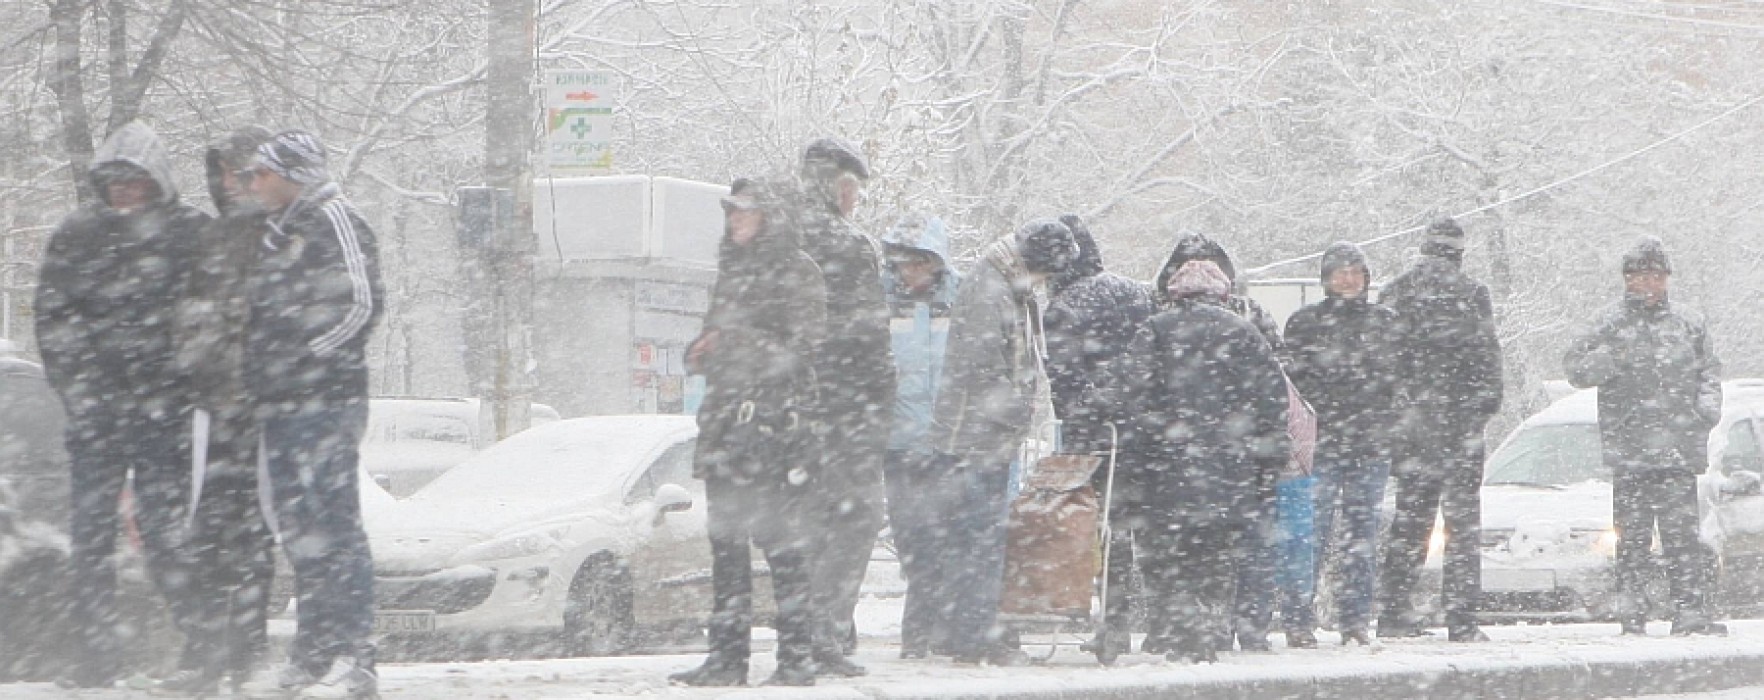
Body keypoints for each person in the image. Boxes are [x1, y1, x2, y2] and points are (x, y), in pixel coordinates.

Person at [33, 120, 209, 688]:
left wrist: (182, 382)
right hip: (97, 415)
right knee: (89, 537)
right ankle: (95, 655)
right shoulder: (78, 236)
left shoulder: (191, 235)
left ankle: (199, 644)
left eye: (135, 182)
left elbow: (212, 316)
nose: (124, 192)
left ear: (157, 182)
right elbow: (54, 317)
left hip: (165, 415)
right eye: (115, 182)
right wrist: (80, 388)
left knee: (163, 532)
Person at [239, 130, 384, 698]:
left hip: (325, 401)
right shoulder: (280, 233)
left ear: (292, 174)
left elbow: (362, 305)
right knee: (300, 532)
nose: (253, 184)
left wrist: (303, 360)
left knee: (336, 527)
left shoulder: (336, 220)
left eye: (262, 173)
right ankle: (314, 649)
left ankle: (357, 651)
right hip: (282, 405)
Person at [669, 177, 827, 687]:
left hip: (776, 430)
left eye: (745, 212)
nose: (735, 220)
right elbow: (724, 340)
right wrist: (703, 349)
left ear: (770, 218)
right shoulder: (732, 271)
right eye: (731, 212)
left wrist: (732, 341)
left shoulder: (797, 271)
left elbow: (801, 348)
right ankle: (727, 657)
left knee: (783, 547)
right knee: (727, 545)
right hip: (726, 427)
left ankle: (796, 658)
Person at [155, 126, 281, 695]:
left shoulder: (280, 234)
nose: (234, 182)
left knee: (253, 531)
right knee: (205, 529)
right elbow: (190, 310)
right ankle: (207, 646)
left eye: (246, 171)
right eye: (228, 172)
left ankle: (247, 646)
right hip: (210, 406)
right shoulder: (213, 237)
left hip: (261, 407)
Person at [1122, 258, 1289, 664]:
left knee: (1166, 551)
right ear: (1222, 293)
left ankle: (1168, 629)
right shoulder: (1245, 333)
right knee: (1213, 553)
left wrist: (1139, 451)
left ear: (1175, 292)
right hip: (1227, 469)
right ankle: (1207, 629)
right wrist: (1267, 462)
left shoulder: (1154, 330)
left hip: (1164, 468)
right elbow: (1272, 402)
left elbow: (1132, 396)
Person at [927, 219, 1076, 666]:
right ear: (1035, 263)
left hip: (979, 436)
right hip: (976, 439)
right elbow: (982, 369)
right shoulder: (992, 291)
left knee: (972, 538)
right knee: (981, 540)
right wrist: (1020, 409)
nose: (1046, 284)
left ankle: (962, 631)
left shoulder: (1005, 284)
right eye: (1047, 275)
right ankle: (975, 635)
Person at [1563, 236, 1725, 636]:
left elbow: (1710, 373)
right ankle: (1632, 613)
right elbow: (1576, 369)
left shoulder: (1688, 323)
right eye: (1640, 276)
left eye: (1656, 276)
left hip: (1677, 450)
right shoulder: (1610, 323)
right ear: (1627, 280)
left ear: (1666, 279)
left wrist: (1704, 413)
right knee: (1632, 540)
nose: (1649, 283)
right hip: (1630, 451)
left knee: (1681, 539)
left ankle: (1688, 613)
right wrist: (1612, 358)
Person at [1376, 217, 1503, 643]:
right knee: (1462, 527)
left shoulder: (1397, 293)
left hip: (1415, 430)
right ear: (1459, 253)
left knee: (1411, 522)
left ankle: (1394, 610)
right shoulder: (1471, 295)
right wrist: (1478, 412)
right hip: (1459, 428)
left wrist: (1399, 415)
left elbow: (1384, 364)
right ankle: (1461, 618)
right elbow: (1488, 360)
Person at [796, 138, 896, 673]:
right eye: (853, 189)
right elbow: (866, 335)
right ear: (837, 186)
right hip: (846, 409)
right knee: (857, 518)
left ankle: (801, 631)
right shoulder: (848, 244)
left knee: (807, 519)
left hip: (791, 409)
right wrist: (879, 402)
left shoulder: (775, 235)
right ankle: (827, 633)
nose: (855, 200)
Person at [1040, 213, 1158, 658]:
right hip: (1146, 431)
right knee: (1141, 526)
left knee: (1099, 528)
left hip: (1096, 435)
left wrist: (1076, 422)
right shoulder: (1136, 293)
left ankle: (1111, 620)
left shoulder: (1066, 306)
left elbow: (1064, 379)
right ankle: (1153, 621)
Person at [1283, 242, 1400, 647]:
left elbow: (1399, 381)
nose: (1348, 278)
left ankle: (1355, 621)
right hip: (1322, 444)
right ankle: (1298, 619)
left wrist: (1387, 418)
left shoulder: (1386, 322)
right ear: (1326, 279)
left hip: (1370, 444)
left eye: (1355, 271)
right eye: (1340, 271)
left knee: (1361, 537)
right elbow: (1295, 383)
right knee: (1309, 535)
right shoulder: (1305, 324)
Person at [878, 213, 960, 659]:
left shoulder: (961, 299)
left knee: (946, 540)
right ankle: (923, 629)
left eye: (919, 263)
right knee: (913, 542)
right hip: (900, 447)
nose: (910, 273)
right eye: (903, 263)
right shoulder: (880, 302)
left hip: (948, 445)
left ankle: (929, 631)